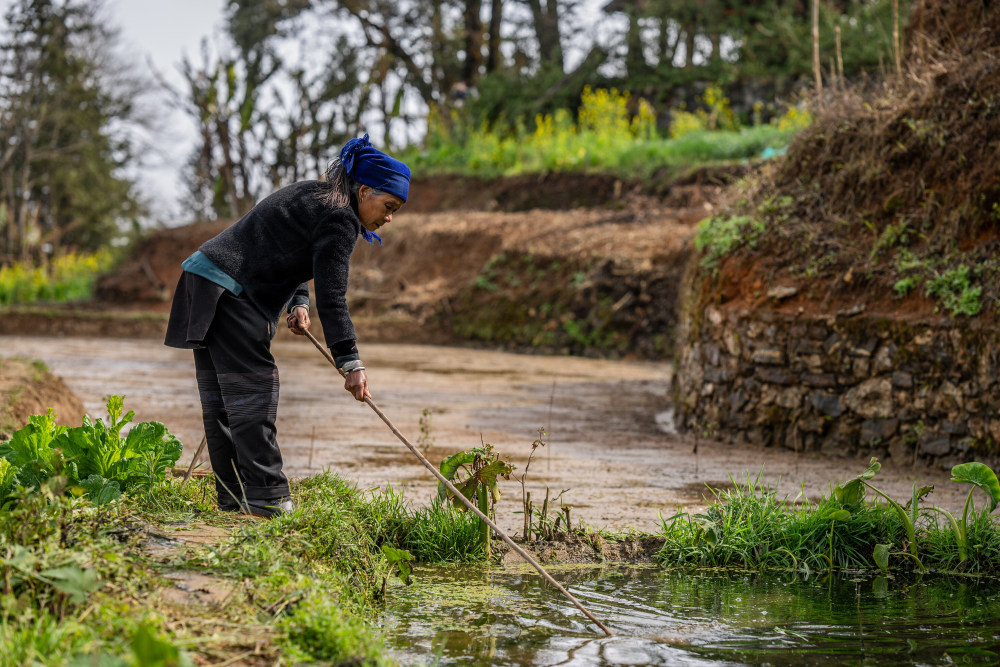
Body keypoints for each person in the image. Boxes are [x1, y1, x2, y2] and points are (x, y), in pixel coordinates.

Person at [164, 135, 410, 518]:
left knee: (224, 403)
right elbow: (332, 298)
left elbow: (287, 246)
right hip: (231, 289)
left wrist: (297, 301)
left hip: (202, 278)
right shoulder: (341, 218)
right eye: (388, 206)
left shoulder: (314, 195)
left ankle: (234, 501)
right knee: (252, 393)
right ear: (364, 191)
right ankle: (269, 502)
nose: (389, 217)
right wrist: (351, 363)